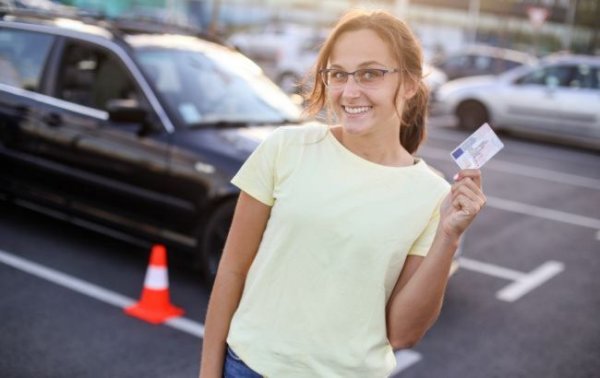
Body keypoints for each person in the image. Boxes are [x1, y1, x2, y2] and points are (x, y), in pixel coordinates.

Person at [200, 9, 486, 378]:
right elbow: (232, 271)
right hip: (249, 368)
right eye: (338, 75)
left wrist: (449, 236)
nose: (350, 92)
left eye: (371, 73)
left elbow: (402, 332)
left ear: (411, 83)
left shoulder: (433, 196)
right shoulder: (286, 147)